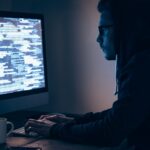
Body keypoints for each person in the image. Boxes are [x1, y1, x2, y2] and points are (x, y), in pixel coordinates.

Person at [25, 0, 150, 149]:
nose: (98, 38)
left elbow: (110, 132)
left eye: (103, 29)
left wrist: (54, 130)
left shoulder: (141, 65)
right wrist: (72, 121)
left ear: (127, 28)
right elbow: (122, 115)